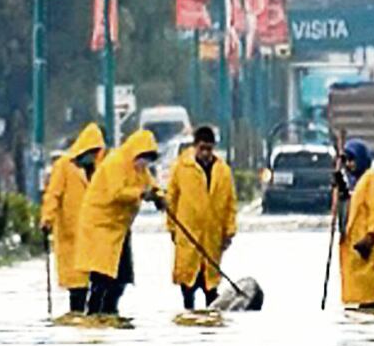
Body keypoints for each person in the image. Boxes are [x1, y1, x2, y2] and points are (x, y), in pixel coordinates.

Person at [74, 129, 163, 315]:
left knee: (121, 278)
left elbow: (151, 185)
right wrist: (141, 194)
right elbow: (117, 193)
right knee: (102, 275)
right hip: (100, 226)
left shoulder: (140, 170)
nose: (144, 163)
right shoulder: (115, 163)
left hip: (119, 229)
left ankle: (110, 311)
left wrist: (159, 197)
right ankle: (94, 314)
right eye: (143, 157)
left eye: (148, 159)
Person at [166, 125, 237, 310]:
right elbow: (171, 200)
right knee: (187, 288)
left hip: (212, 238)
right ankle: (189, 319)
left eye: (209, 149)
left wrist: (229, 231)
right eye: (202, 148)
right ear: (195, 146)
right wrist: (172, 228)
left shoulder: (223, 171)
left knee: (211, 289)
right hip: (188, 236)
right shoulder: (181, 168)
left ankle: (210, 324)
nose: (205, 153)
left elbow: (230, 203)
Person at [40, 123, 106, 313]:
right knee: (77, 285)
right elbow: (53, 194)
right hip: (72, 234)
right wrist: (47, 219)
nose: (94, 155)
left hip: (94, 235)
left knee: (97, 284)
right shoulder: (64, 166)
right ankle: (76, 316)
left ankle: (91, 317)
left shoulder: (100, 169)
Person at [333, 139, 374, 310]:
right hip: (357, 255)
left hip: (368, 250)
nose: (349, 165)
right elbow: (351, 212)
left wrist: (371, 236)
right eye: (346, 161)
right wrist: (342, 192)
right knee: (361, 304)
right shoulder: (360, 182)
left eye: (352, 160)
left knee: (372, 301)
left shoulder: (373, 178)